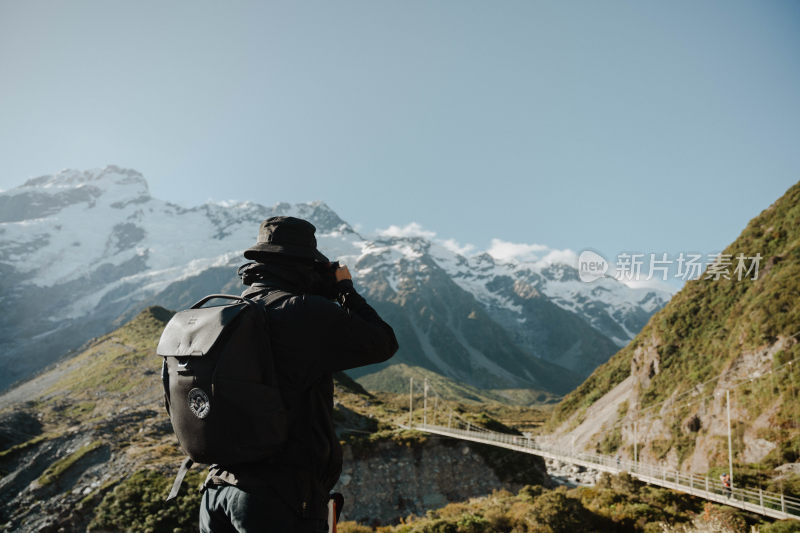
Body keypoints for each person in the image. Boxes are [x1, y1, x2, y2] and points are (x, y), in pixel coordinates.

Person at [199, 216, 399, 533]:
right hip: (280, 496)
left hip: (216, 489)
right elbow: (383, 342)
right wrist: (345, 290)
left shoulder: (229, 312)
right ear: (305, 266)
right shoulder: (304, 311)